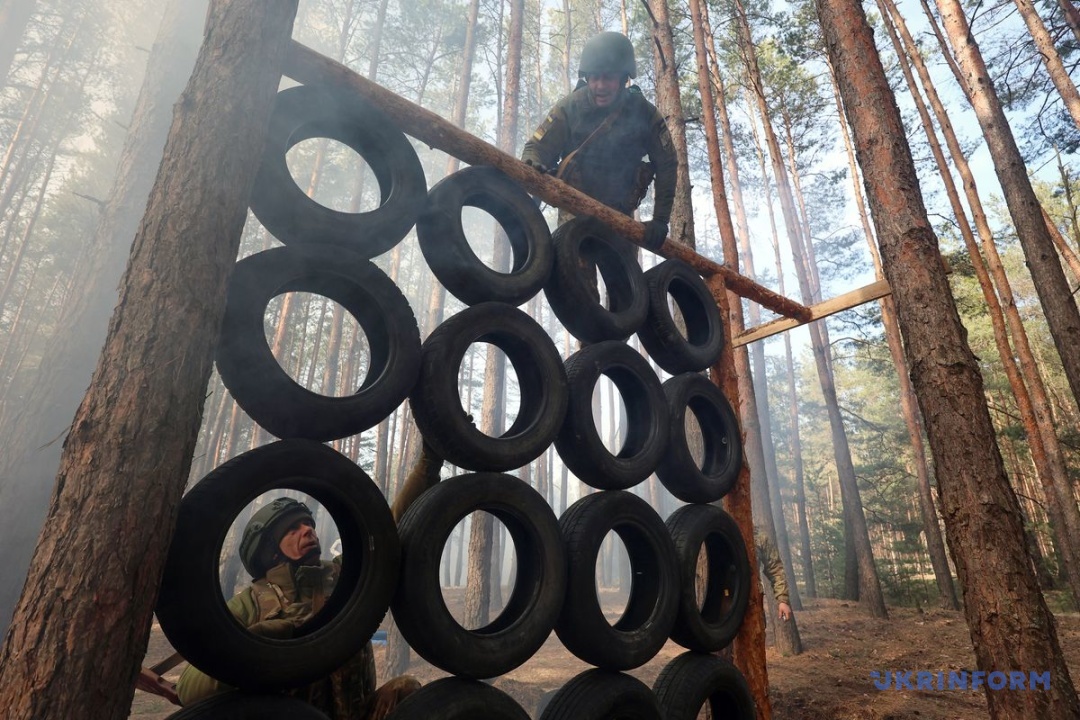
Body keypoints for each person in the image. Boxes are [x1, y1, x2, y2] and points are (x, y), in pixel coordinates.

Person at [175, 497, 419, 719]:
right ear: (269, 551)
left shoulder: (343, 576)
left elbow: (385, 526)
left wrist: (427, 466)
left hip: (358, 714)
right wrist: (254, 640)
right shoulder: (248, 604)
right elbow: (188, 690)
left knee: (404, 690)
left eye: (308, 524)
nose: (308, 530)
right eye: (293, 529)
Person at [520, 31, 677, 249]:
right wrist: (533, 165)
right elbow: (535, 147)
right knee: (570, 276)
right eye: (594, 77)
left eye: (608, 77)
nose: (600, 85)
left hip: (620, 215)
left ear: (624, 79)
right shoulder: (569, 107)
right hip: (573, 207)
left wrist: (660, 220)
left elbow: (667, 164)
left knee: (626, 282)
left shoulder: (645, 114)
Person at [755, 530, 792, 622]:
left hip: (752, 606)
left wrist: (782, 600)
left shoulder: (758, 537)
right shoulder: (716, 527)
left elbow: (776, 569)